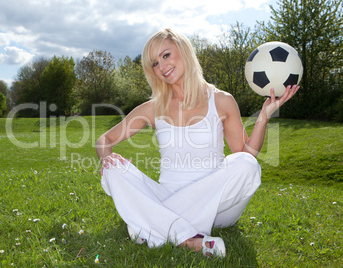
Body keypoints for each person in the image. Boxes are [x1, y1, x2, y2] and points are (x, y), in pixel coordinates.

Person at [96, 28, 299, 257]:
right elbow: (105, 140)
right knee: (113, 169)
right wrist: (107, 157)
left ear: (183, 51)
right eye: (154, 63)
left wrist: (264, 116)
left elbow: (245, 154)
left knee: (247, 165)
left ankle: (149, 226)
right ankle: (187, 239)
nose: (162, 66)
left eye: (166, 55)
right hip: (167, 195)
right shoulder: (153, 108)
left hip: (218, 205)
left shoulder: (221, 100)